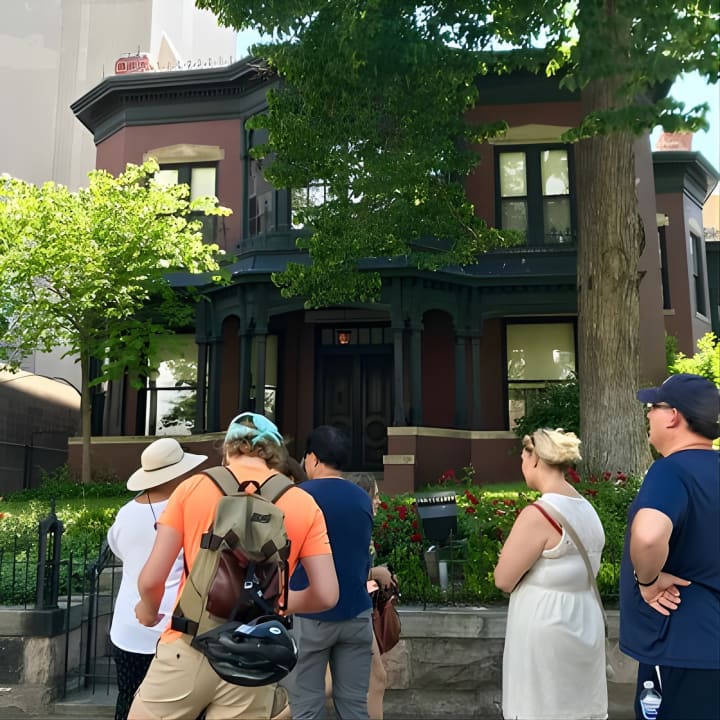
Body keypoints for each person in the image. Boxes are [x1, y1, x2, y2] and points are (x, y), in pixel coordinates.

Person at [128, 412, 339, 720]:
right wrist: (274, 603)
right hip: (252, 658)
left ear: (228, 449)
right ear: (276, 453)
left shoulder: (192, 488)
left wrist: (148, 611)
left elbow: (151, 580)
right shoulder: (304, 503)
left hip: (188, 645)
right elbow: (327, 594)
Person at [620, 373, 720, 720]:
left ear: (673, 415)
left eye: (652, 407)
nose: (648, 415)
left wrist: (648, 582)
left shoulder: (671, 471)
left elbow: (648, 536)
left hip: (683, 647)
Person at [494, 428, 607, 720]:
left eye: (523, 458)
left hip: (546, 625)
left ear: (535, 459)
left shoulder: (538, 514)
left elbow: (503, 579)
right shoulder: (587, 509)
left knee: (541, 708)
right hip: (585, 619)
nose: (522, 465)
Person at [108, 438, 208, 720]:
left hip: (127, 628)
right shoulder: (189, 511)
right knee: (182, 709)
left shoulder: (125, 513)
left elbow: (119, 550)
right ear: (178, 473)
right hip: (174, 629)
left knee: (128, 700)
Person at [284, 425, 374, 720]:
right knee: (355, 706)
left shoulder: (297, 496)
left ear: (312, 458)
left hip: (311, 613)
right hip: (357, 613)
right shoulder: (361, 498)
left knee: (307, 707)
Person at [347, 471, 396, 720]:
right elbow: (346, 571)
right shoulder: (353, 529)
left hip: (357, 611)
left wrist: (379, 576)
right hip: (353, 614)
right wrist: (376, 573)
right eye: (374, 495)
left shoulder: (359, 526)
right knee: (376, 679)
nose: (378, 501)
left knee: (374, 679)